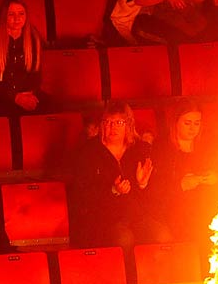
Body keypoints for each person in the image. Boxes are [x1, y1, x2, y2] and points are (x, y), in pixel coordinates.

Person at [67, 102, 169, 250]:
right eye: (108, 122)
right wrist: (113, 191)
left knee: (162, 235)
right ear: (102, 125)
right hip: (104, 218)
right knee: (124, 239)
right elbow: (82, 194)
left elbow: (156, 194)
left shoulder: (139, 149)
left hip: (136, 216)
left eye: (119, 122)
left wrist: (142, 185)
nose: (113, 127)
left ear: (128, 125)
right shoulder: (89, 152)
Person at [150, 101, 218, 239]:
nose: (192, 128)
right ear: (176, 122)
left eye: (197, 123)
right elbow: (155, 188)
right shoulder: (162, 148)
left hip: (204, 206)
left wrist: (216, 178)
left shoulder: (208, 144)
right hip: (173, 209)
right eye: (187, 123)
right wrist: (181, 185)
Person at [0, 0, 47, 114]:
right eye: (11, 14)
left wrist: (28, 94)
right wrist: (15, 97)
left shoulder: (34, 39)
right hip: (0, 97)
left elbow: (36, 74)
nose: (17, 19)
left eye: (21, 14)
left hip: (27, 94)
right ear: (4, 16)